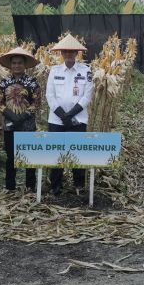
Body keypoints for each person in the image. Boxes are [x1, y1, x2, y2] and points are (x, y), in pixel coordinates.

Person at [45, 34, 93, 195]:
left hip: (78, 119)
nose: (69, 54)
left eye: (72, 51)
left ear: (77, 53)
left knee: (77, 152)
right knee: (56, 153)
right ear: (62, 53)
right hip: (56, 120)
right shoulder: (54, 70)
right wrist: (62, 116)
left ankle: (79, 185)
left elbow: (87, 96)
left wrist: (70, 115)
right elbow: (50, 96)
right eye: (66, 51)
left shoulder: (86, 71)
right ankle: (56, 185)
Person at [0, 46, 41, 192]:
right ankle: (10, 186)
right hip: (10, 124)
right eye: (14, 63)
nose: (16, 66)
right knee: (11, 157)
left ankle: (30, 186)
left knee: (30, 156)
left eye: (19, 63)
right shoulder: (4, 82)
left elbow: (37, 102)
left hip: (27, 125)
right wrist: (11, 115)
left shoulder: (32, 82)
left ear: (25, 65)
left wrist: (23, 116)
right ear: (10, 65)